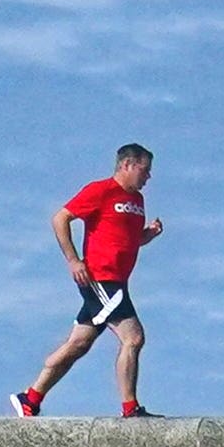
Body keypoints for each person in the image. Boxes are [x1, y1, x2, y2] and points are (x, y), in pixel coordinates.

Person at [16, 145, 163, 420]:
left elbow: (128, 239)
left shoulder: (137, 201)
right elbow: (60, 218)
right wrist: (74, 260)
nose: (148, 177)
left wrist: (149, 234)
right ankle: (130, 409)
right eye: (145, 170)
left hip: (118, 282)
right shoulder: (101, 190)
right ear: (128, 165)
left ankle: (31, 398)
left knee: (78, 344)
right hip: (100, 278)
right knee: (133, 337)